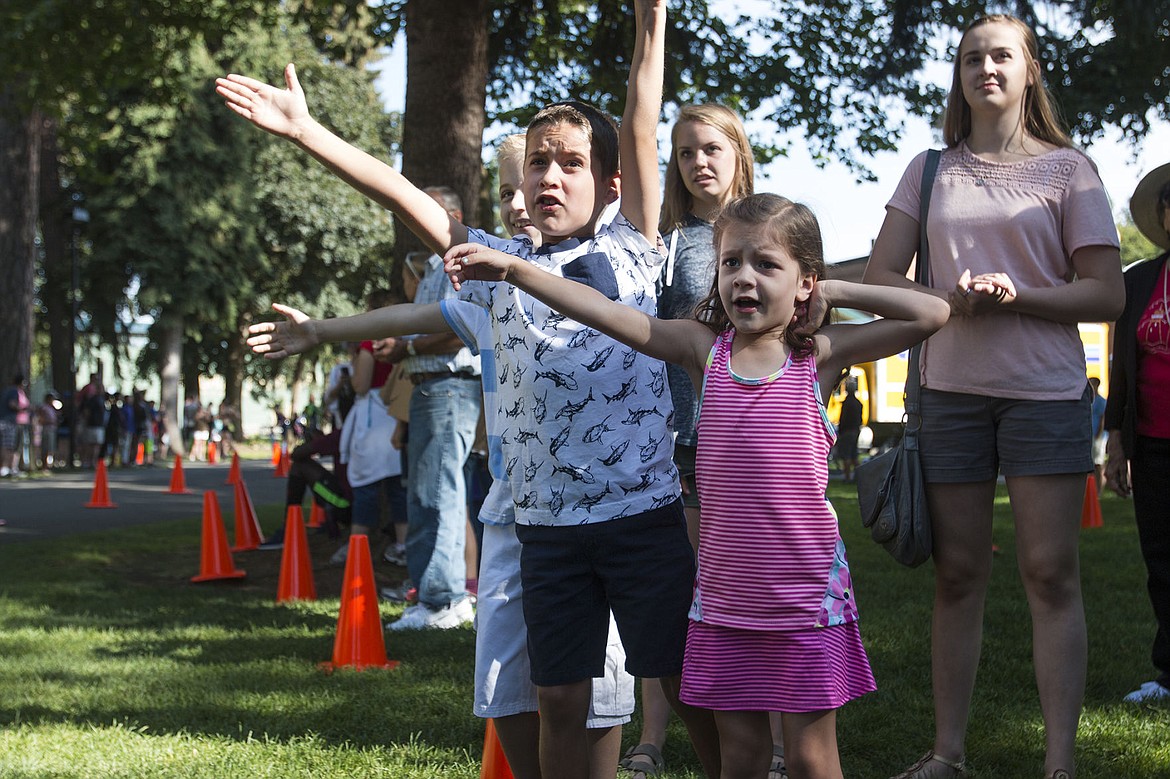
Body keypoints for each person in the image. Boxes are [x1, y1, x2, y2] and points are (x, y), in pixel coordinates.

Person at [222, 5, 717, 776]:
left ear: (612, 183)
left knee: (688, 681)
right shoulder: (489, 267)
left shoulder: (634, 246)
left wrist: (650, 20)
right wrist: (307, 133)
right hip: (546, 529)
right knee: (555, 698)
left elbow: (641, 118)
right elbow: (405, 198)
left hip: (642, 515)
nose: (549, 176)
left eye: (571, 163)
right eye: (537, 163)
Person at [445, 192, 950, 779]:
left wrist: (835, 291)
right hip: (725, 602)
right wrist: (516, 270)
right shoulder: (702, 351)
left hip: (805, 600)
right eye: (731, 262)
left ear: (803, 281)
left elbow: (931, 314)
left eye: (766, 265)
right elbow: (606, 313)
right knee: (741, 754)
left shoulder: (819, 357)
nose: (743, 278)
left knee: (812, 758)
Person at [861, 15, 1125, 779]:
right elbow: (882, 279)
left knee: (1050, 571)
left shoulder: (1070, 170)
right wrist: (949, 297)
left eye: (1001, 54)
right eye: (972, 56)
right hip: (948, 393)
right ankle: (948, 752)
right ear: (960, 74)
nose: (986, 67)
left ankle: (1059, 762)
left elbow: (1105, 292)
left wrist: (1017, 295)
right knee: (959, 573)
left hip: (1044, 393)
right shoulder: (930, 168)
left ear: (1030, 69)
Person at [622, 102, 756, 779]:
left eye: (711, 148)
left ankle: (776, 740)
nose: (699, 162)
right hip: (680, 444)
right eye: (685, 152)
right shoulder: (667, 238)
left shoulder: (770, 229)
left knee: (750, 594)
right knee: (678, 597)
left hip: (754, 448)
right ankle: (652, 734)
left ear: (737, 151)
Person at [374, 187, 482, 631]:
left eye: (427, 210)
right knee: (430, 495)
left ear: (452, 215)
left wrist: (406, 346)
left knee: (436, 494)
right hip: (433, 387)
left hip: (448, 386)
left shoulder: (460, 261)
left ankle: (441, 601)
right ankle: (437, 594)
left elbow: (461, 327)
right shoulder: (434, 267)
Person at [1104, 161, 1170, 704]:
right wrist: (1115, 441)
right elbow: (1121, 366)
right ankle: (1169, 674)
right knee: (1163, 561)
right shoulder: (1140, 281)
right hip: (1152, 443)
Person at [0, 374, 30, 477]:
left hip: (16, 422)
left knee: (15, 446)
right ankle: (5, 467)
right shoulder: (14, 391)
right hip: (10, 422)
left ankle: (13, 467)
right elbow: (12, 404)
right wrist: (23, 409)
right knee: (8, 445)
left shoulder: (14, 391)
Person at [836, 381, 863, 483]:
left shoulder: (847, 403)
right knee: (854, 455)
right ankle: (860, 476)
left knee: (846, 455)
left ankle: (847, 478)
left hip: (847, 431)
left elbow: (843, 418)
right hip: (856, 430)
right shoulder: (858, 403)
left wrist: (840, 430)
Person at [1087, 377, 1107, 495]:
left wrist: (1099, 434)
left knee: (1098, 462)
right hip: (1089, 435)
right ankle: (1092, 489)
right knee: (1091, 463)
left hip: (1098, 436)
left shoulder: (1100, 401)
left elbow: (1102, 418)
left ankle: (1099, 490)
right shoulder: (1090, 400)